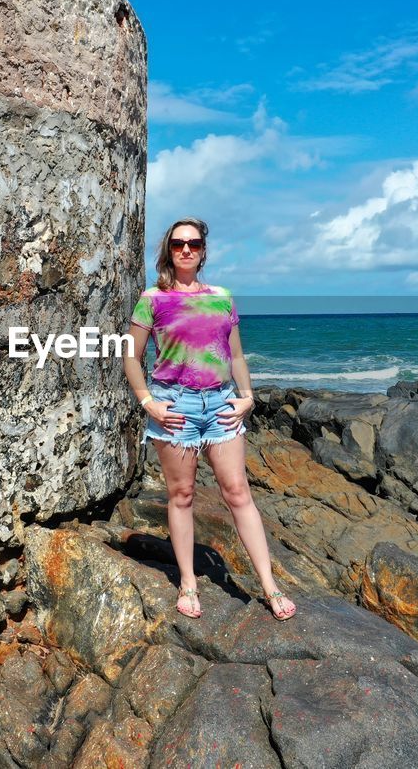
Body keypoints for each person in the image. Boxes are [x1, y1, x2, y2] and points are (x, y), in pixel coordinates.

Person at [123, 217, 297, 621]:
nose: (187, 249)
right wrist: (148, 402)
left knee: (238, 493)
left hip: (221, 405)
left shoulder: (222, 297)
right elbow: (131, 356)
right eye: (179, 243)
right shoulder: (153, 299)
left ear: (203, 251)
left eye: (194, 243)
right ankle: (188, 582)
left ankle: (270, 587)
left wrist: (247, 397)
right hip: (175, 405)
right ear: (169, 249)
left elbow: (234, 355)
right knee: (181, 495)